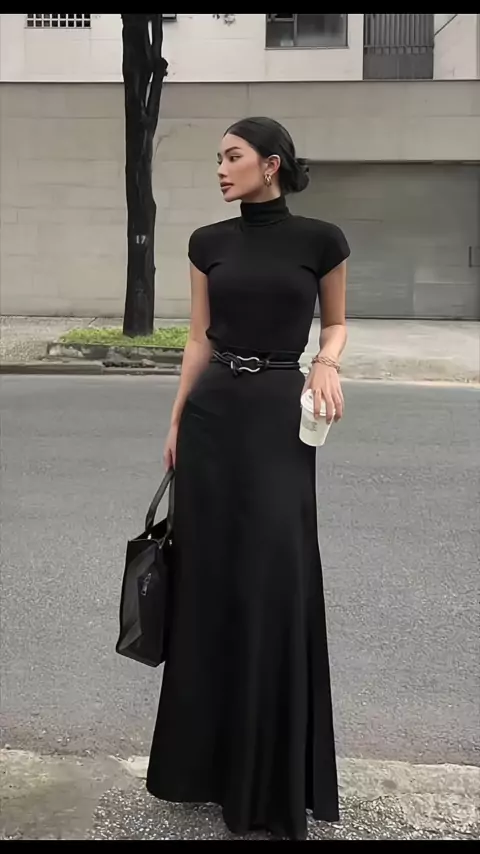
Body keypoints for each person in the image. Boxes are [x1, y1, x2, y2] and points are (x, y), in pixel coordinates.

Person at [146, 116, 350, 840]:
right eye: (218, 158)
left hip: (276, 418)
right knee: (210, 582)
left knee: (274, 576)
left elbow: (336, 324)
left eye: (233, 157)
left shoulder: (321, 240)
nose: (221, 168)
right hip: (212, 418)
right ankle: (205, 769)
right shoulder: (208, 243)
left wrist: (326, 362)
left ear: (271, 164)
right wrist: (177, 419)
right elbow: (198, 338)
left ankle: (270, 775)